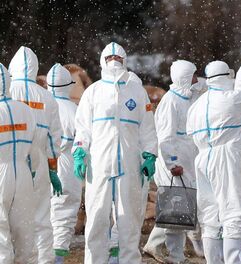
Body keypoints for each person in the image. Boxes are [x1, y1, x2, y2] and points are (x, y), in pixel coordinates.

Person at [73, 42, 158, 263]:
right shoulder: (93, 92)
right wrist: (80, 151)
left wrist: (150, 154)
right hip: (99, 165)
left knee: (129, 222)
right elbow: (82, 127)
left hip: (129, 165)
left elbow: (148, 126)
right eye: (110, 58)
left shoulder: (137, 91)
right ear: (102, 61)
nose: (114, 62)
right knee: (97, 220)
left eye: (118, 58)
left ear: (125, 60)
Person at [187, 61, 241, 263]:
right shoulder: (231, 99)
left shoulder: (197, 105)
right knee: (234, 209)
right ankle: (235, 259)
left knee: (210, 214)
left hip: (202, 157)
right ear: (226, 76)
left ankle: (214, 260)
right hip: (224, 155)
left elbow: (190, 132)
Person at [143, 60, 204, 264]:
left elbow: (205, 85)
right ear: (185, 78)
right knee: (175, 211)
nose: (196, 79)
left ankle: (172, 253)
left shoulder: (188, 95)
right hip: (175, 165)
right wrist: (172, 164)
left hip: (186, 162)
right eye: (193, 75)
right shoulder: (171, 101)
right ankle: (172, 254)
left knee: (179, 210)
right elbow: (166, 138)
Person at [8, 46, 63, 264]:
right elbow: (53, 136)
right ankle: (44, 260)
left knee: (10, 216)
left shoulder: (8, 91)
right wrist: (52, 165)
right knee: (41, 217)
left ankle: (13, 257)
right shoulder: (47, 97)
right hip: (39, 161)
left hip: (11, 160)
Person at [0, 63, 45, 263]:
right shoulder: (25, 110)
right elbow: (35, 148)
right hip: (23, 173)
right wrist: (33, 169)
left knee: (1, 231)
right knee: (25, 229)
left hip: (1, 172)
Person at [46, 63, 81, 264]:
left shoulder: (41, 106)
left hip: (44, 162)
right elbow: (84, 140)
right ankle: (57, 258)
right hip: (67, 162)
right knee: (65, 211)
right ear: (68, 85)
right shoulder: (74, 109)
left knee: (42, 212)